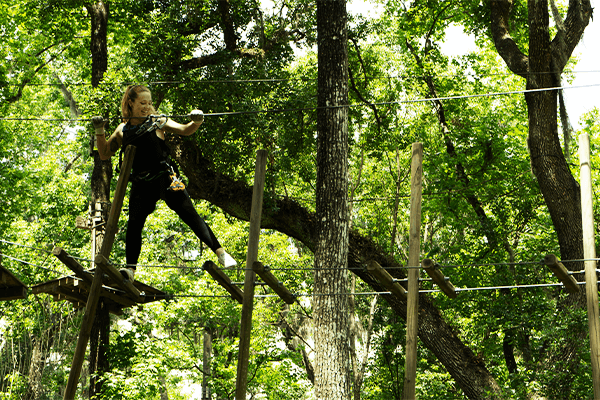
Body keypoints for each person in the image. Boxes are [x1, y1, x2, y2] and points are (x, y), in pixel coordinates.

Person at [92, 84, 237, 280]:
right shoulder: (122, 130)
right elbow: (104, 153)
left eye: (149, 103)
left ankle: (221, 253)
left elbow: (185, 130)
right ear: (130, 103)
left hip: (164, 177)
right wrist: (100, 131)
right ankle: (130, 270)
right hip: (141, 182)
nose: (147, 106)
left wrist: (197, 121)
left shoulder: (158, 122)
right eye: (142, 103)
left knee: (190, 214)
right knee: (134, 223)